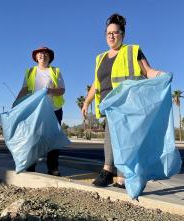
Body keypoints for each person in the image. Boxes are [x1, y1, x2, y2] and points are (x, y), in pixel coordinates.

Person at [81, 13, 161, 188]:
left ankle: (114, 173)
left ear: (122, 35)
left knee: (124, 140)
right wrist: (87, 102)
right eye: (108, 33)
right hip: (109, 104)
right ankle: (113, 174)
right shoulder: (100, 58)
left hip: (127, 103)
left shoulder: (132, 50)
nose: (111, 36)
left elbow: (147, 71)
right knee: (112, 137)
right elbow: (96, 82)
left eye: (115, 32)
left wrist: (159, 75)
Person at [13, 46, 65, 176]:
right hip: (35, 110)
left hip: (53, 109)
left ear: (50, 57)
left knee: (52, 139)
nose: (42, 55)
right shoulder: (30, 71)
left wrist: (50, 91)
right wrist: (15, 103)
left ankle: (53, 168)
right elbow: (24, 89)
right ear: (36, 57)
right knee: (32, 137)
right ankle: (30, 166)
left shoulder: (56, 71)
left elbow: (62, 90)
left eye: (46, 53)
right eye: (40, 53)